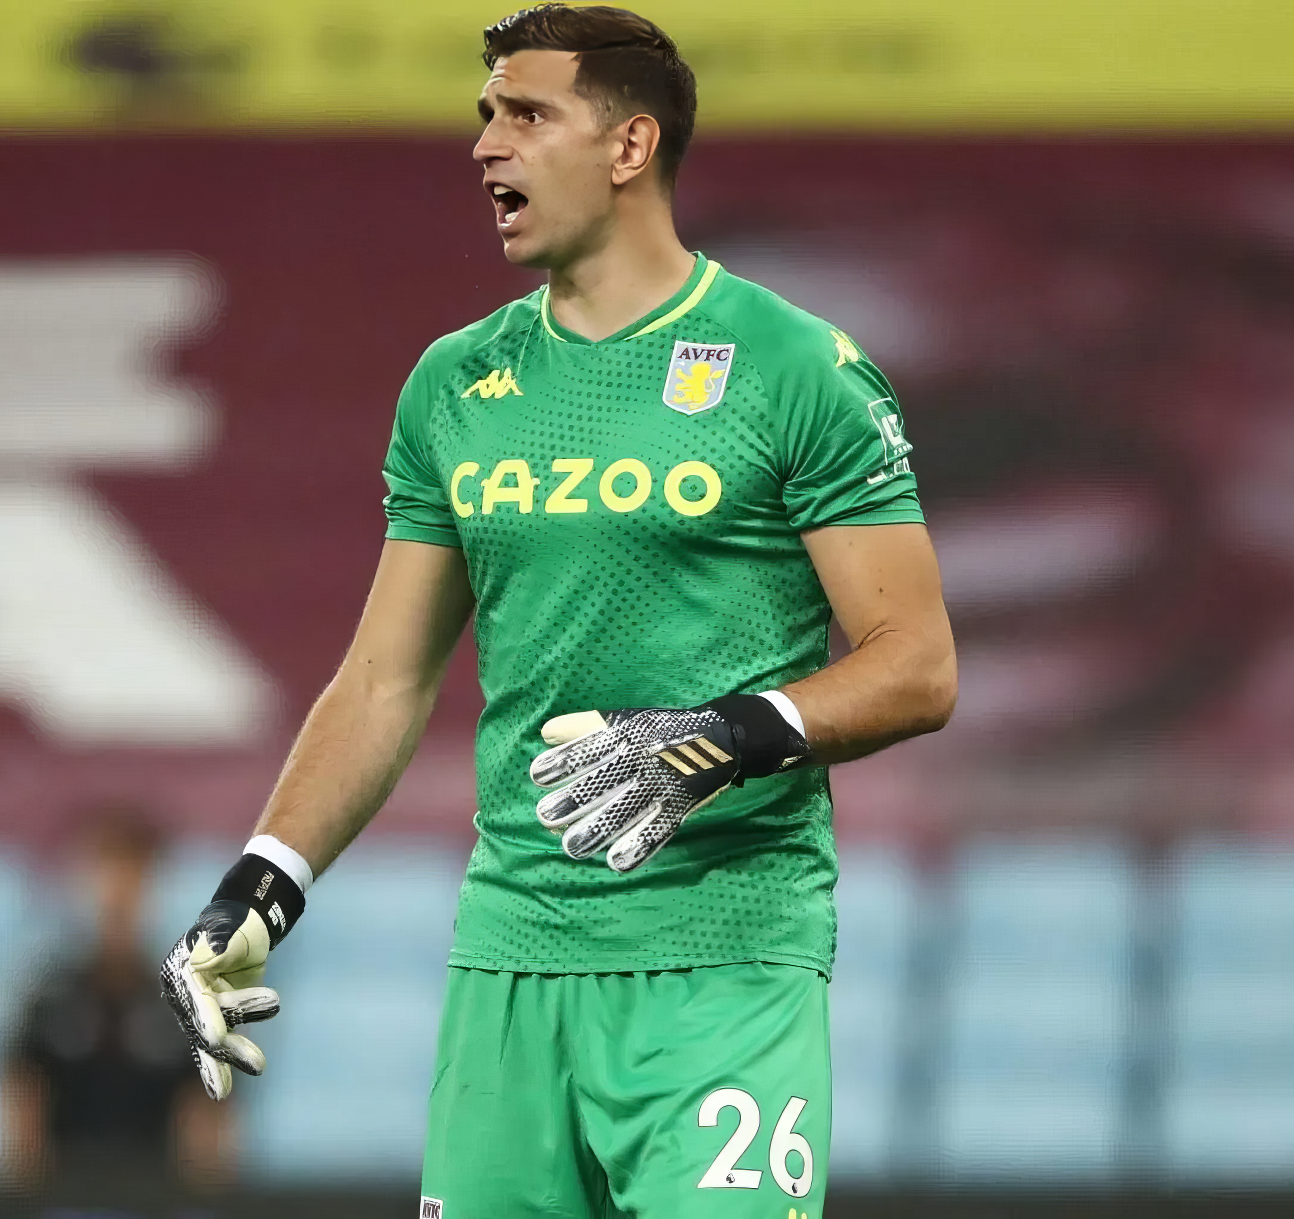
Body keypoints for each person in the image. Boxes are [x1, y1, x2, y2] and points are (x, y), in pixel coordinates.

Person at [159, 6, 956, 1217]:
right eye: (486, 114)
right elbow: (384, 682)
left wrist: (722, 736)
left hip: (722, 957)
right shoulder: (455, 384)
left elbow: (916, 666)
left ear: (630, 146)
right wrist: (264, 882)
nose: (487, 145)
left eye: (527, 115)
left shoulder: (795, 369)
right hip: (512, 955)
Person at [0, 806, 231, 1191]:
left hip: (159, 1202)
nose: (117, 902)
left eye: (132, 886)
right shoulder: (44, 996)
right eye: (106, 887)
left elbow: (206, 1129)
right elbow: (20, 1112)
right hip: (62, 1200)